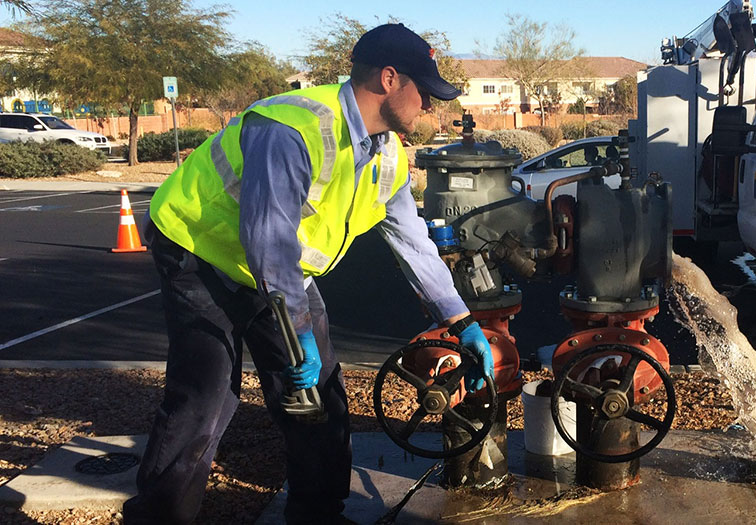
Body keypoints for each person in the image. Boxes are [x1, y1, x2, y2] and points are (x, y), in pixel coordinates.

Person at [122, 23, 492, 524]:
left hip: (278, 273)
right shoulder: (292, 130)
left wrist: (460, 320)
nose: (429, 106)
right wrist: (297, 333)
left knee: (317, 395)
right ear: (389, 80)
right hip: (199, 251)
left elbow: (414, 244)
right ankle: (157, 517)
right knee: (207, 396)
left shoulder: (388, 155)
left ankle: (315, 513)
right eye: (423, 92)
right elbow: (268, 244)